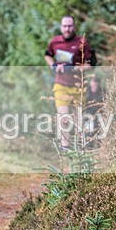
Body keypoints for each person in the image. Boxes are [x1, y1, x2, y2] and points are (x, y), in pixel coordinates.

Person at [44, 16, 98, 151]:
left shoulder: (82, 43)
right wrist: (54, 66)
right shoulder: (55, 42)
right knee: (64, 117)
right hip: (61, 85)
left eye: (70, 26)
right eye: (64, 26)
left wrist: (74, 68)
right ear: (61, 27)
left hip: (78, 86)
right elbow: (47, 55)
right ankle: (65, 148)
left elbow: (91, 64)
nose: (67, 29)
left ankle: (81, 149)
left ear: (74, 27)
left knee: (79, 119)